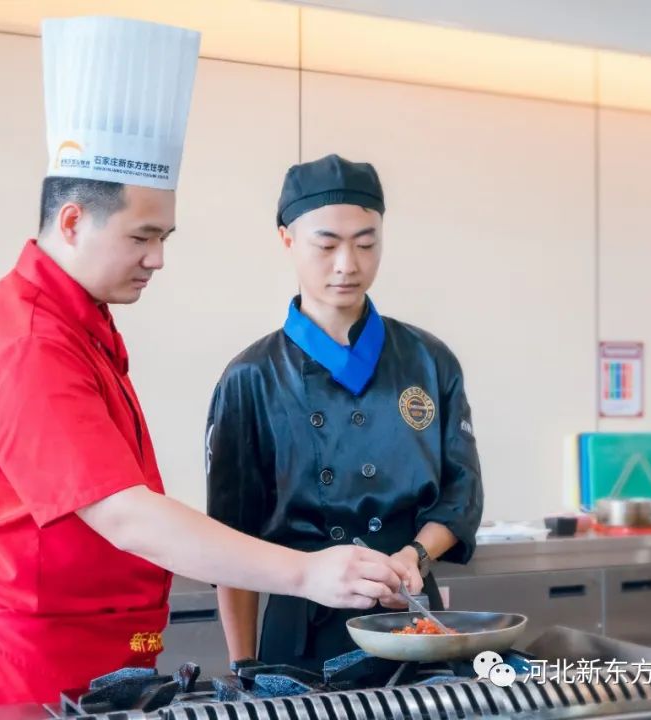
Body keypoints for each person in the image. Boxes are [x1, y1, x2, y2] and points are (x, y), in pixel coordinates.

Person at [0, 20, 414, 707]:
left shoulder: (80, 321)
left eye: (165, 236)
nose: (158, 258)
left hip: (100, 665)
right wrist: (306, 574)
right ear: (72, 222)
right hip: (30, 678)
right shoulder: (30, 342)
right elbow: (127, 516)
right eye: (142, 236)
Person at [206, 154, 484, 671]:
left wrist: (415, 555)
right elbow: (231, 542)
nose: (347, 264)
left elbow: (461, 494)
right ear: (287, 239)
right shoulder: (250, 377)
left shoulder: (429, 360)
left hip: (412, 618)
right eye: (327, 244)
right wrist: (244, 668)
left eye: (366, 243)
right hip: (301, 639)